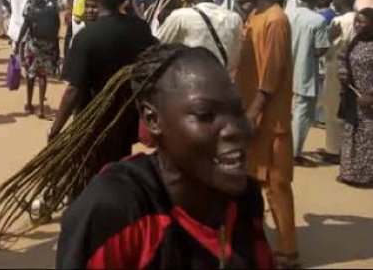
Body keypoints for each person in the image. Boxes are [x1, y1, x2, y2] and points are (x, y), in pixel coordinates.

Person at [56, 44, 274, 269]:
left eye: (237, 112)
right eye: (206, 115)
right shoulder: (115, 211)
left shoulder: (244, 201)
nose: (235, 129)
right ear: (152, 119)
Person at [234, 0, 298, 268]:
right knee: (250, 184)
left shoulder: (276, 20)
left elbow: (272, 75)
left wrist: (253, 112)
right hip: (251, 116)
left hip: (270, 121)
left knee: (277, 185)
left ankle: (288, 251)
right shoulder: (254, 18)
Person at [49, 0, 156, 143]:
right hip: (125, 124)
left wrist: (55, 131)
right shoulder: (141, 29)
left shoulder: (86, 37)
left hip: (92, 126)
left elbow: (73, 90)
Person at [157, 0, 243, 80]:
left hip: (190, 88)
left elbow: (155, 49)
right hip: (222, 87)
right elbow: (234, 61)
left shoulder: (181, 17)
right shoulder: (234, 19)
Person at [287, 0, 329, 163]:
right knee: (302, 115)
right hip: (304, 72)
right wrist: (331, 35)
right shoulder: (317, 20)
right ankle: (294, 153)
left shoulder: (287, 14)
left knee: (286, 112)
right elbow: (320, 50)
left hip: (286, 70)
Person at [320, 0, 357, 163]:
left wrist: (327, 37)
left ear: (339, 1)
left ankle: (333, 150)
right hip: (356, 70)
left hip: (336, 67)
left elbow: (328, 48)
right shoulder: (360, 18)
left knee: (333, 108)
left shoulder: (339, 22)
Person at [337, 8, 373, 188]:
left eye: (362, 22)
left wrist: (370, 96)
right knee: (351, 133)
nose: (358, 25)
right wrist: (343, 75)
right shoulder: (354, 41)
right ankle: (349, 173)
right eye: (356, 22)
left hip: (368, 100)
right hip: (353, 96)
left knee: (367, 136)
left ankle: (366, 176)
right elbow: (342, 58)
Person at [14, 0, 59, 118]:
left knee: (31, 74)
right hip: (48, 44)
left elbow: (25, 24)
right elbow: (57, 24)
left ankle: (29, 104)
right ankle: (41, 108)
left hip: (33, 44)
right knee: (43, 76)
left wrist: (18, 42)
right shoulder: (52, 3)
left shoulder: (31, 4)